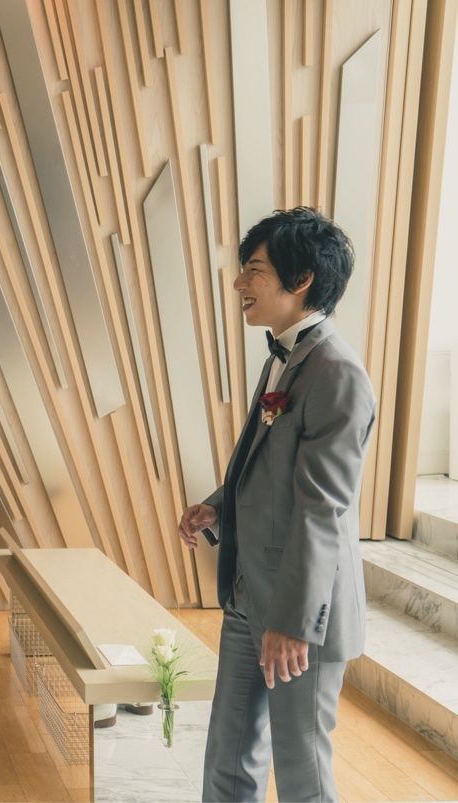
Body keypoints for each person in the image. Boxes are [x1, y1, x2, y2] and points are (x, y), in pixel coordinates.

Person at [178, 207, 376, 802]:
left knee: (301, 772)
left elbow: (322, 510)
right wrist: (219, 507)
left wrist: (292, 624)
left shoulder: (336, 373)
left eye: (255, 270)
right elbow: (270, 466)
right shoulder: (282, 357)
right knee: (228, 758)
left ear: (302, 278)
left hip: (299, 613)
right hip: (248, 594)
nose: (239, 282)